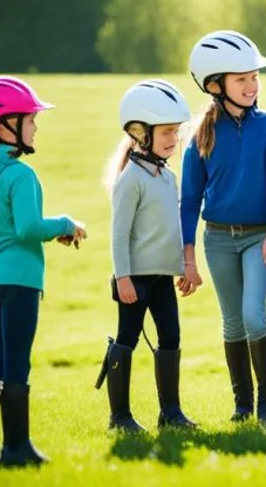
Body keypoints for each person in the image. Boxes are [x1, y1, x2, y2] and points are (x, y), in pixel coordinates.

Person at [0, 76, 87, 468]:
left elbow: (5, 227)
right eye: (29, 119)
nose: (35, 126)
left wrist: (50, 233)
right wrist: (65, 224)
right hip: (20, 279)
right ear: (4, 127)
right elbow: (27, 228)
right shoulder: (20, 175)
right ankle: (16, 448)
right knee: (16, 362)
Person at [180, 30, 266, 425]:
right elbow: (190, 199)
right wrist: (188, 257)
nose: (251, 85)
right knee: (231, 321)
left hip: (261, 236)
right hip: (218, 240)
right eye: (241, 78)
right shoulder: (200, 136)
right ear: (215, 85)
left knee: (253, 315)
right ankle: (243, 405)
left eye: (254, 77)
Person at [99, 79, 199, 433]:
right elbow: (119, 233)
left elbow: (169, 228)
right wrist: (122, 277)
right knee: (126, 339)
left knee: (170, 337)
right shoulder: (132, 179)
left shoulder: (165, 176)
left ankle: (170, 413)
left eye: (176, 132)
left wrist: (184, 265)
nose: (174, 139)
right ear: (141, 133)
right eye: (168, 132)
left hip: (162, 277)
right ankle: (119, 417)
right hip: (135, 278)